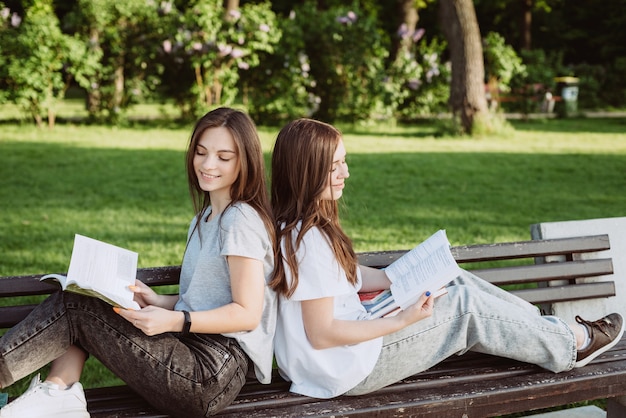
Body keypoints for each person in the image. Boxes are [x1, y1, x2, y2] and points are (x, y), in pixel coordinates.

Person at [269, 117, 624, 399]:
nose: (346, 173)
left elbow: (340, 277)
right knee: (464, 306)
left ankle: (545, 331)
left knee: (451, 279)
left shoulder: (297, 226)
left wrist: (397, 276)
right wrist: (403, 320)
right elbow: (322, 334)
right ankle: (571, 345)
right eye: (335, 167)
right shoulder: (307, 240)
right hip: (345, 367)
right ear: (307, 172)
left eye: (344, 162)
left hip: (342, 353)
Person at [0, 107, 277, 417]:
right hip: (191, 352)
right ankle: (59, 390)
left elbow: (247, 313)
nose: (208, 165)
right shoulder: (204, 219)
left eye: (224, 157)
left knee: (75, 305)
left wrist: (176, 320)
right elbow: (211, 295)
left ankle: (55, 393)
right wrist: (160, 300)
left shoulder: (241, 220)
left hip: (211, 372)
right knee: (84, 296)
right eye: (201, 152)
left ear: (246, 162)